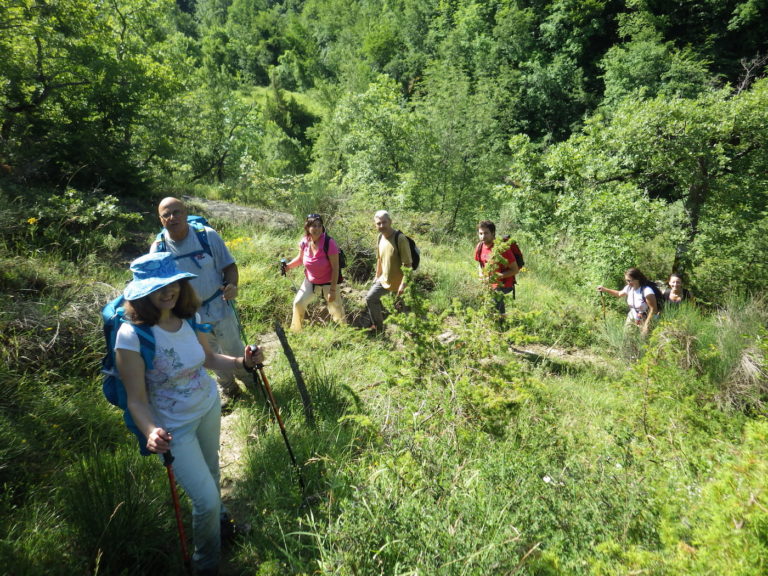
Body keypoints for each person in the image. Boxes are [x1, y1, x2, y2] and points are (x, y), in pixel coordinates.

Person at [114, 252, 263, 576]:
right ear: (141, 294)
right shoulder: (132, 336)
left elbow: (208, 359)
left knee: (212, 472)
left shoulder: (189, 318)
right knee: (206, 500)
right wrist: (152, 430)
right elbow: (136, 400)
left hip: (208, 407)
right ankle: (205, 565)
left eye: (173, 284)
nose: (168, 292)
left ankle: (223, 529)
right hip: (173, 428)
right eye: (158, 288)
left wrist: (243, 363)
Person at [150, 197, 245, 397]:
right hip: (189, 316)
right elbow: (157, 288)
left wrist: (232, 284)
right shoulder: (158, 250)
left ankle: (252, 383)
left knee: (235, 349)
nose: (172, 217)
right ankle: (230, 389)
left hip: (220, 305)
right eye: (166, 214)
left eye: (176, 212)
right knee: (208, 355)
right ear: (161, 220)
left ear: (185, 213)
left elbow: (229, 266)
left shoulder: (207, 236)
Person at [282, 213, 346, 332]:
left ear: (322, 227)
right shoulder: (304, 242)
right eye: (313, 226)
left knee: (336, 310)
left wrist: (332, 290)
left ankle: (344, 332)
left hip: (329, 282)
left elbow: (336, 268)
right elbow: (301, 259)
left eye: (319, 226)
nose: (316, 229)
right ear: (307, 227)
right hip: (310, 281)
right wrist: (288, 266)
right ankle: (296, 330)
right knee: (298, 303)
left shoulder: (329, 243)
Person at [365, 210, 412, 333]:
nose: (381, 226)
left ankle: (406, 337)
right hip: (384, 280)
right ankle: (379, 329)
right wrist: (377, 275)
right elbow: (379, 259)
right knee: (370, 298)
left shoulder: (400, 238)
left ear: (390, 222)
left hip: (399, 284)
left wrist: (403, 284)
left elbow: (408, 264)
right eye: (378, 223)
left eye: (384, 222)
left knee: (401, 312)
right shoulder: (380, 237)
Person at [474, 220, 520, 317]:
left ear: (493, 233)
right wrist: (481, 275)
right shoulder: (480, 246)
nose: (483, 236)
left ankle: (501, 321)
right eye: (480, 233)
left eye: (486, 233)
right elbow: (480, 263)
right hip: (488, 281)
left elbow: (515, 270)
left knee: (495, 295)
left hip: (505, 284)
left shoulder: (502, 249)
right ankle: (488, 319)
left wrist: (495, 277)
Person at [597, 267, 659, 335]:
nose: (628, 283)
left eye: (630, 280)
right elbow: (618, 294)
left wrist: (646, 326)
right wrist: (605, 289)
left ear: (637, 278)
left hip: (646, 318)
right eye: (627, 281)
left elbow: (653, 310)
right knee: (627, 336)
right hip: (632, 317)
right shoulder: (629, 288)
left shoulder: (647, 291)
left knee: (644, 339)